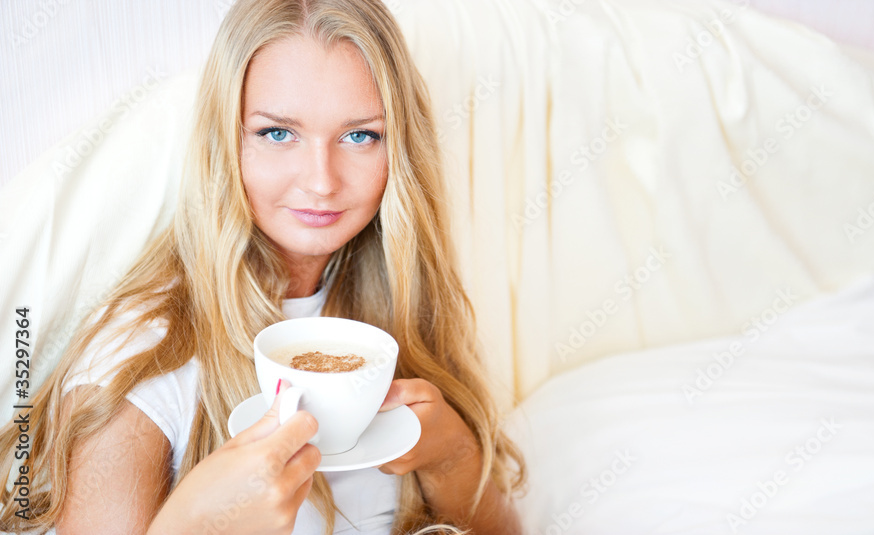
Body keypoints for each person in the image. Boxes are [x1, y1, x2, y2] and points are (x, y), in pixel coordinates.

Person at [0, 0, 526, 533]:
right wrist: (198, 523)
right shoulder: (138, 360)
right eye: (278, 133)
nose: (321, 180)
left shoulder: (398, 309)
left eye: (360, 135)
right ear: (224, 141)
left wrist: (451, 454)